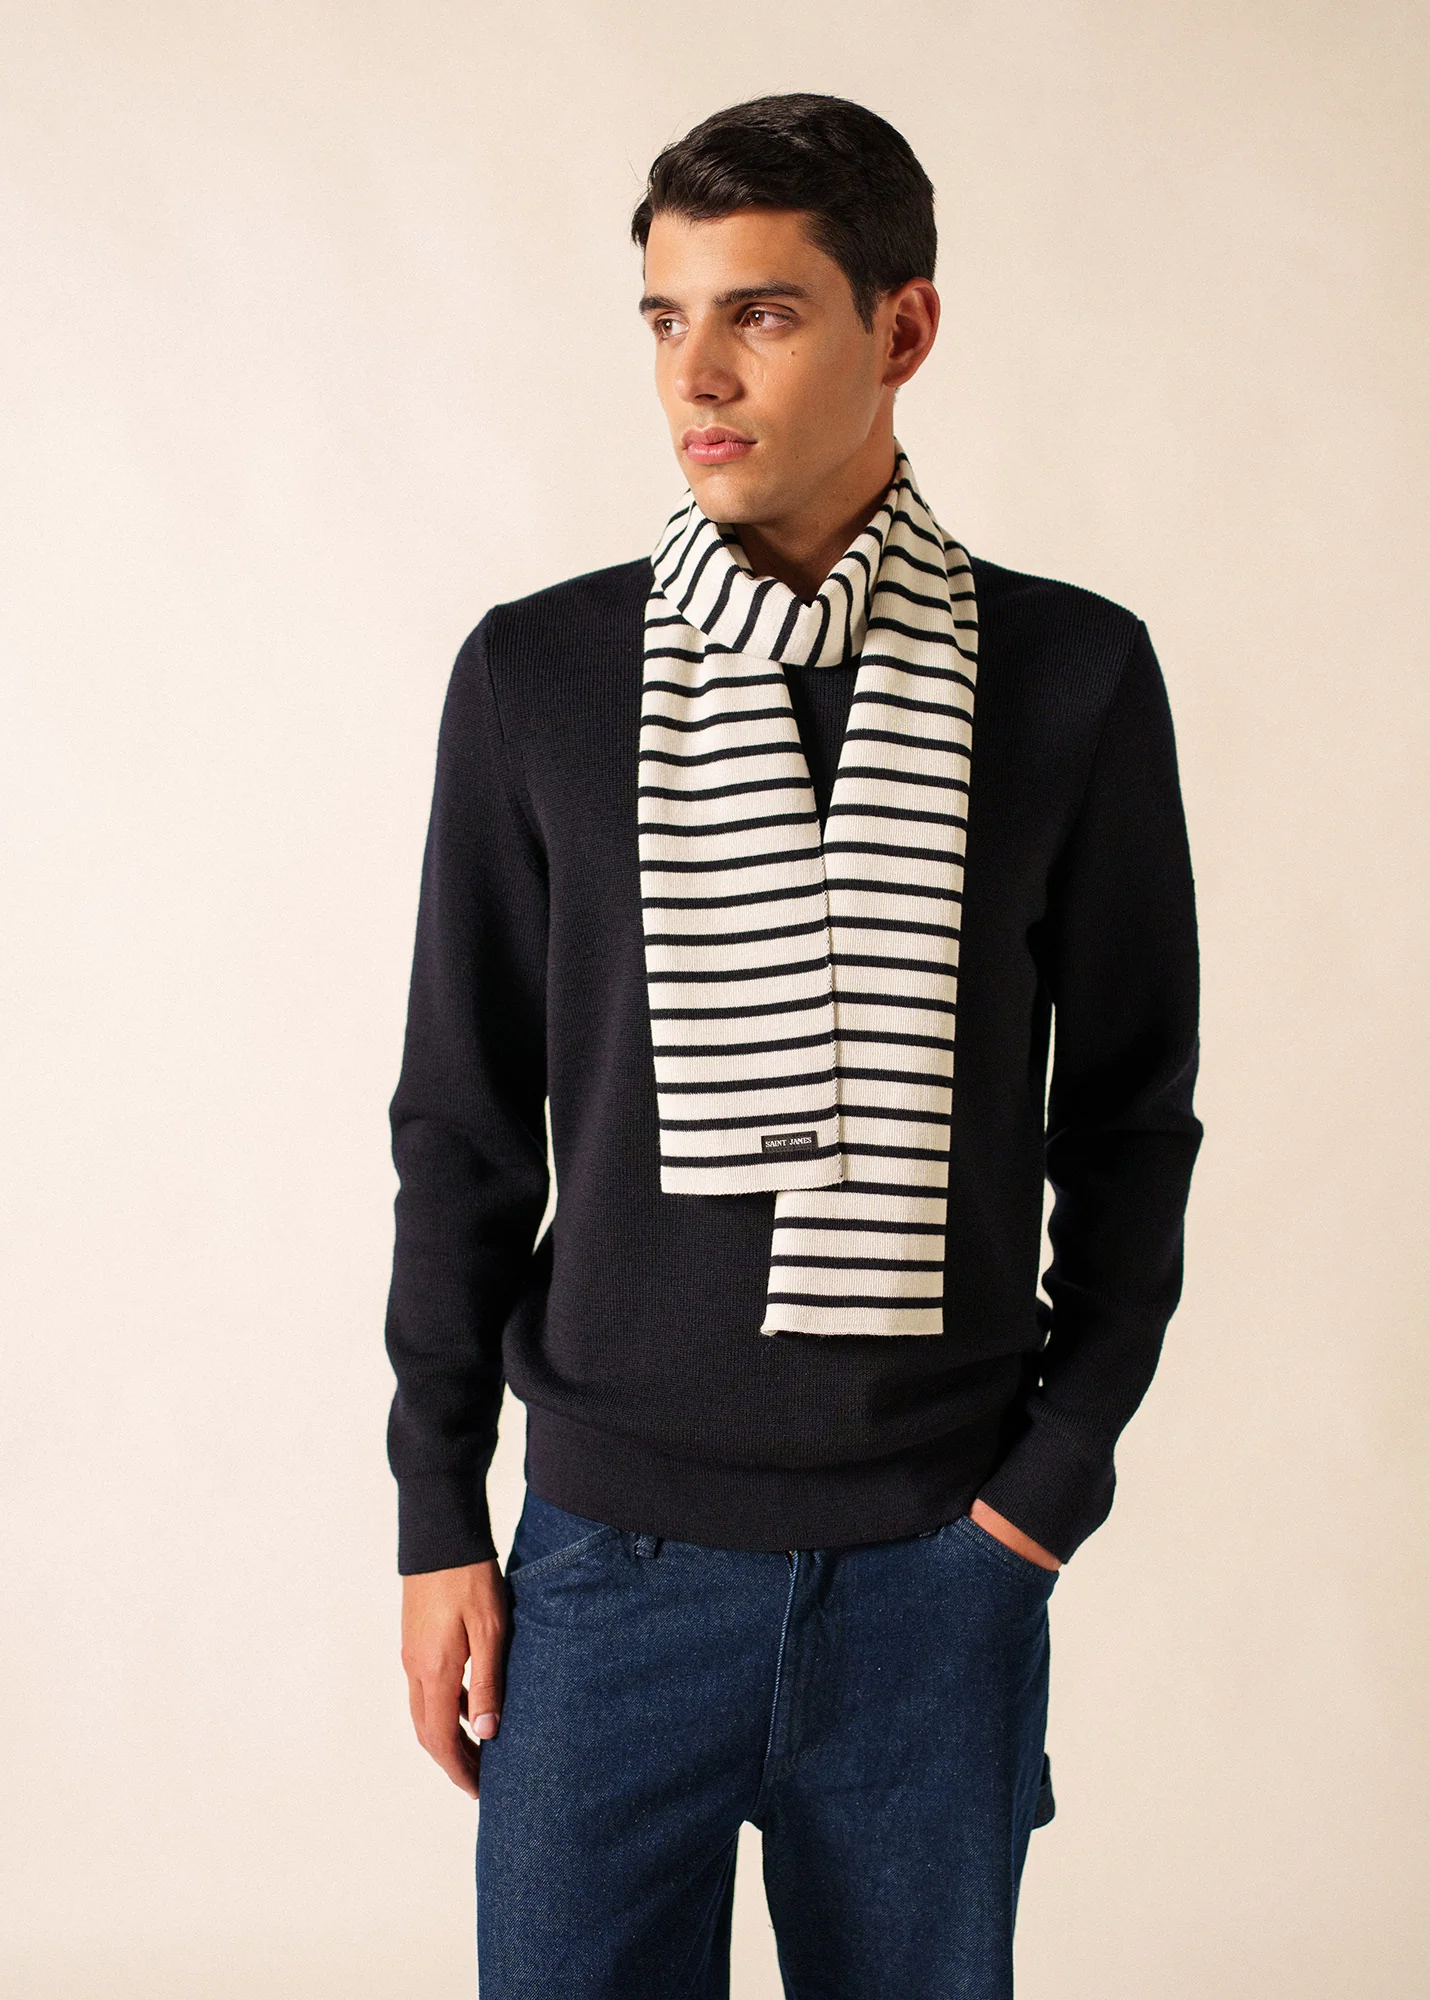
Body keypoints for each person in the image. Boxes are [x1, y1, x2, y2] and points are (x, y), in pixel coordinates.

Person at [385, 92, 1202, 2000]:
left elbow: (1131, 1121)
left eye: (759, 313)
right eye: (665, 318)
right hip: (603, 1572)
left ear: (901, 328)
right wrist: (438, 1513)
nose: (698, 374)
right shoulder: (538, 676)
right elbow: (463, 1127)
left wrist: (1041, 1497)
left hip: (936, 1567)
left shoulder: (1072, 675)